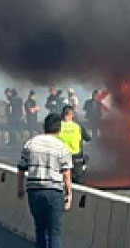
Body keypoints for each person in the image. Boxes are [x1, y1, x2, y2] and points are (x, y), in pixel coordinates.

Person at [17, 113, 73, 248]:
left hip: (34, 192)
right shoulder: (62, 147)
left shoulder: (31, 143)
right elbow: (66, 173)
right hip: (54, 193)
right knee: (54, 232)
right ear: (59, 129)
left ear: (44, 127)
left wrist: (20, 188)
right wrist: (69, 194)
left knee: (40, 229)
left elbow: (21, 168)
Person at [57, 105, 91, 183]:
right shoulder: (78, 126)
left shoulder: (58, 126)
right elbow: (88, 138)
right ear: (72, 115)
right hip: (76, 158)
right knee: (78, 182)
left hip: (61, 158)